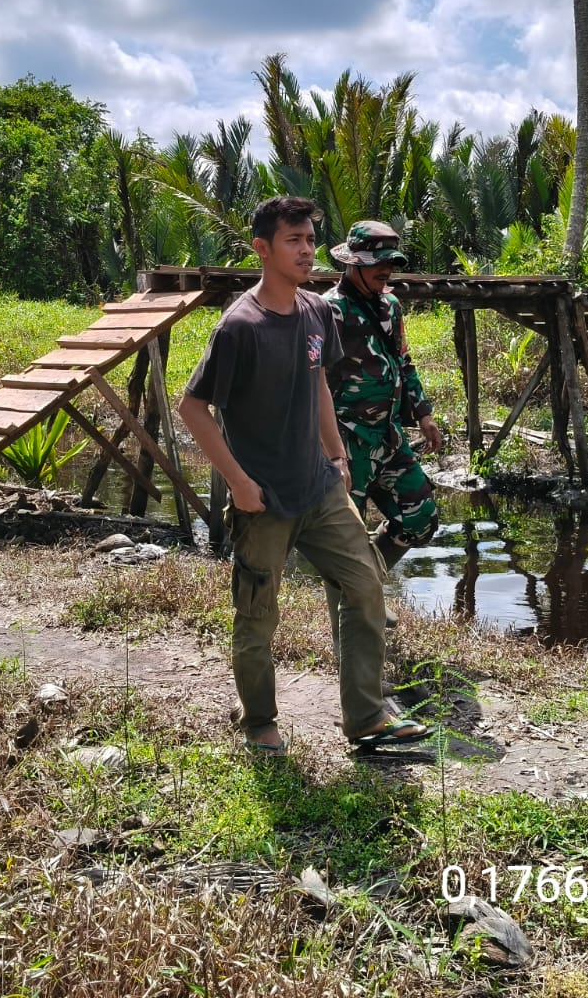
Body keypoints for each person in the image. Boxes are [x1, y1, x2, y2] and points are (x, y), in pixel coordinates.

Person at [177, 196, 433, 756]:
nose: (306, 250)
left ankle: (366, 717)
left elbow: (318, 381)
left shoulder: (316, 311)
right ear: (262, 249)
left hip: (320, 488)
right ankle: (259, 722)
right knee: (257, 615)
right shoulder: (240, 326)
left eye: (311, 240)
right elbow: (192, 408)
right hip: (264, 500)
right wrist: (239, 484)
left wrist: (337, 458)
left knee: (365, 587)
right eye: (293, 240)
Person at [324, 221, 443, 626]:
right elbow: (311, 382)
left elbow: (403, 362)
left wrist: (424, 414)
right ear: (353, 264)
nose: (386, 270)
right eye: (378, 263)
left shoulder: (390, 306)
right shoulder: (329, 311)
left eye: (390, 263)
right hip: (347, 442)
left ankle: (370, 581)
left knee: (422, 517)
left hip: (389, 437)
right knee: (348, 536)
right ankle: (356, 624)